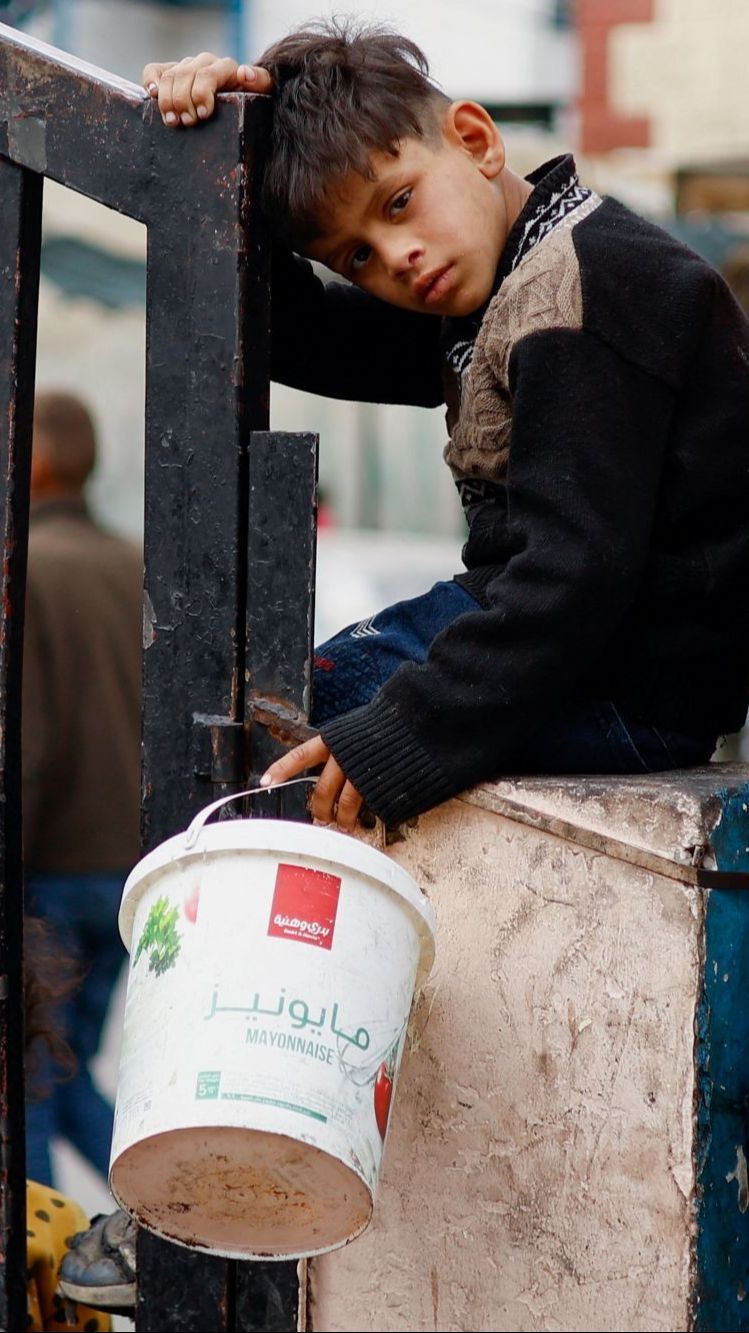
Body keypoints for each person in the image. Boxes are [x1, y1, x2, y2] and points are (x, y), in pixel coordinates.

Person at [59, 18, 749, 1304]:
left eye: (395, 207)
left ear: (474, 140)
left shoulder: (590, 290)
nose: (395, 261)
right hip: (586, 651)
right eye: (355, 254)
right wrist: (231, 144)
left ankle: (224, 1163)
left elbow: (570, 579)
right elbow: (306, 339)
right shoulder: (507, 268)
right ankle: (224, 1152)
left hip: (616, 677)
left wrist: (403, 739)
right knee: (264, 721)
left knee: (271, 746)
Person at [23, 391, 143, 1188]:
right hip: (129, 870)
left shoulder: (26, 567)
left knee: (30, 1086)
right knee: (61, 1076)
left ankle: (27, 1280)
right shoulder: (135, 564)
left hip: (48, 872)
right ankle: (162, 1223)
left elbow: (25, 748)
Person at [24, 914, 113, 1332]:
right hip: (108, 883)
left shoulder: (50, 1219)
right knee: (70, 1077)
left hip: (60, 878)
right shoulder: (53, 1218)